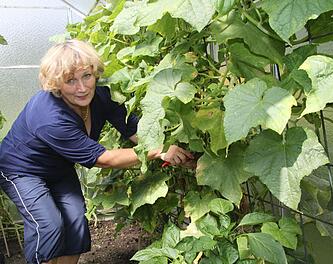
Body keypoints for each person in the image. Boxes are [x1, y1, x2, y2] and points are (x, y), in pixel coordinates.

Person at [0, 39, 194, 264]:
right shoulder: (50, 118)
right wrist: (158, 151)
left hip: (59, 167)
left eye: (86, 76)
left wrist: (171, 151)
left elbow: (132, 128)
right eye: (70, 81)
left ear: (94, 73)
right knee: (47, 223)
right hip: (21, 170)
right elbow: (104, 159)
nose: (82, 88)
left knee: (75, 220)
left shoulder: (101, 95)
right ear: (56, 84)